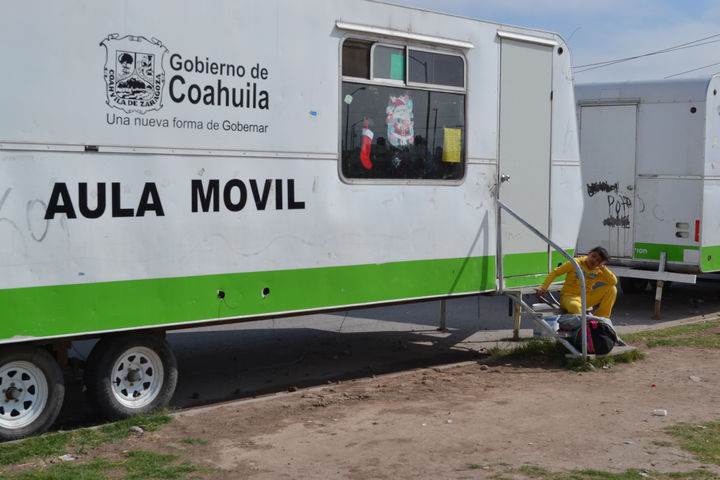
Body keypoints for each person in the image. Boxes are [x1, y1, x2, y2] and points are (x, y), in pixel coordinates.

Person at [535, 246, 617, 319]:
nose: (594, 260)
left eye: (598, 260)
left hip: (585, 298)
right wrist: (543, 288)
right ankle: (583, 327)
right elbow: (555, 272)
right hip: (569, 297)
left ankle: (600, 321)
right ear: (589, 253)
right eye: (593, 256)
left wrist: (603, 268)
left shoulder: (598, 270)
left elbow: (613, 281)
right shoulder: (575, 263)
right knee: (575, 307)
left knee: (612, 289)